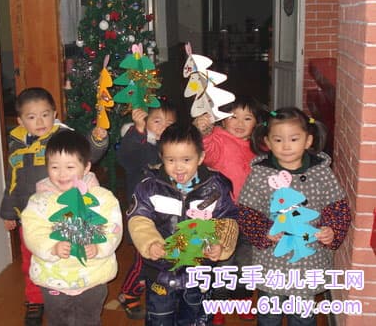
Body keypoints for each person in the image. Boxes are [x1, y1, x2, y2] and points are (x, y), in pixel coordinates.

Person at [0, 87, 108, 326]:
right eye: (31, 117)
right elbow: (12, 180)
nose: (40, 122)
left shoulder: (61, 138)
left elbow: (87, 154)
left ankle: (72, 291)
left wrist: (98, 139)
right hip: (31, 217)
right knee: (31, 260)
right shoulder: (17, 144)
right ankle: (35, 300)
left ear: (54, 113)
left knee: (65, 253)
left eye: (45, 114)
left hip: (62, 214)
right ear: (20, 120)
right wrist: (8, 211)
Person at [238, 107, 351, 325]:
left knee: (303, 314)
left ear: (308, 140)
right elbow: (247, 211)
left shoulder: (320, 172)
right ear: (267, 142)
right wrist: (264, 232)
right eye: (278, 140)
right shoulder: (261, 173)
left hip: (308, 257)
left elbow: (336, 206)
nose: (286, 146)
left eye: (294, 139)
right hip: (271, 258)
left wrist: (331, 230)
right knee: (269, 311)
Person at [128, 123, 239, 325]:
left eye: (186, 160)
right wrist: (150, 243)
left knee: (197, 318)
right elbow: (139, 219)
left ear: (201, 157)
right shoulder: (150, 186)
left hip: (200, 272)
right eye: (171, 160)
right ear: (161, 158)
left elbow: (228, 219)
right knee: (159, 319)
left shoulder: (216, 186)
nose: (178, 167)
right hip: (161, 272)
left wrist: (221, 244)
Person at [21, 130, 123, 326]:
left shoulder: (102, 198)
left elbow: (113, 226)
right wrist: (52, 247)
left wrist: (100, 247)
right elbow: (33, 230)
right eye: (54, 167)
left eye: (70, 166)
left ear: (86, 168)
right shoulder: (39, 201)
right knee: (58, 319)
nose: (62, 173)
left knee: (89, 319)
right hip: (53, 276)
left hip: (93, 276)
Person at [193, 95, 267, 324]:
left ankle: (243, 299)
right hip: (223, 216)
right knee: (223, 261)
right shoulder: (218, 138)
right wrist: (204, 131)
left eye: (247, 118)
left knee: (248, 261)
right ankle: (219, 305)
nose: (239, 122)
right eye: (233, 116)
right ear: (222, 119)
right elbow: (207, 150)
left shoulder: (260, 146)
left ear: (256, 123)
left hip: (252, 214)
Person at [116, 100, 177, 319]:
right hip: (141, 214)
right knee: (144, 258)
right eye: (157, 121)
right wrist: (138, 131)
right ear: (145, 121)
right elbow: (125, 158)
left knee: (158, 256)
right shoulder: (141, 144)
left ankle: (152, 288)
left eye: (169, 123)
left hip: (166, 215)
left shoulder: (171, 148)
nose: (162, 127)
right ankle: (128, 293)